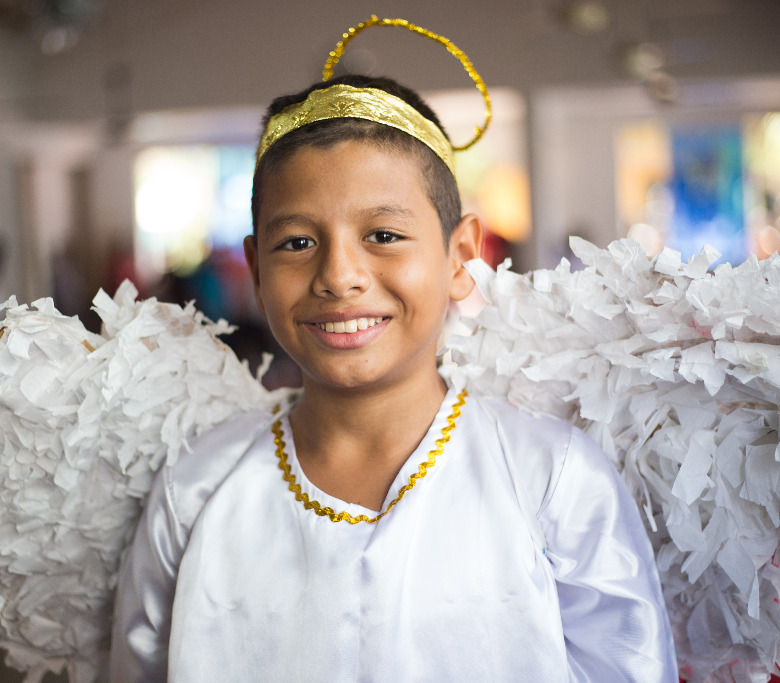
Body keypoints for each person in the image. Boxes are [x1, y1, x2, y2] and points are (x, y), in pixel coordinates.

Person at [110, 18, 677, 682]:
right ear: (256, 270)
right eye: (296, 242)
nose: (339, 275)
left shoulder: (551, 480)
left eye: (382, 234)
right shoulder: (197, 492)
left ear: (461, 255)